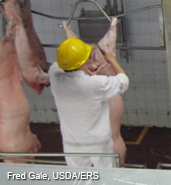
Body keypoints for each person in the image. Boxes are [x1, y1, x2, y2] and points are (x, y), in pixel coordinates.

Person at [49, 37, 129, 168]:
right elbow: (123, 81)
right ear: (84, 61)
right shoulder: (94, 84)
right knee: (107, 177)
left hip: (72, 143)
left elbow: (56, 66)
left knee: (79, 179)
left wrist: (80, 58)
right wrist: (111, 60)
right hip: (98, 143)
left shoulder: (56, 79)